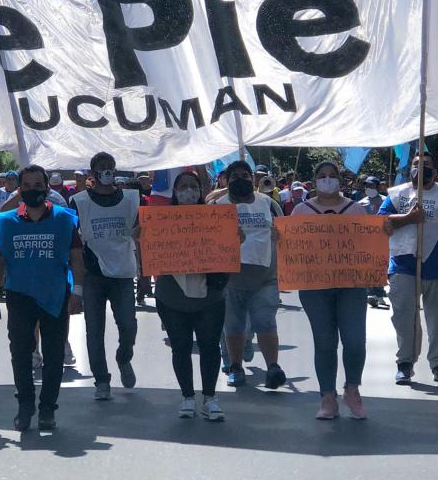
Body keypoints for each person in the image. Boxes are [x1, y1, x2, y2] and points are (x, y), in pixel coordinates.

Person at [0, 166, 85, 431]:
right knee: (20, 353)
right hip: (20, 296)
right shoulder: (7, 222)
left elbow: (76, 258)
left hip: (55, 295)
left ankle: (47, 409)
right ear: (20, 190)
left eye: (38, 185)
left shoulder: (64, 219)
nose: (33, 190)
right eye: (27, 185)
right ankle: (25, 404)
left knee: (54, 355)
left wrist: (77, 292)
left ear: (47, 188)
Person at [291, 162, 370, 419]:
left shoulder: (355, 209)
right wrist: (279, 238)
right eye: (322, 176)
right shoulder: (301, 211)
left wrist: (383, 232)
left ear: (340, 180)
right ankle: (327, 397)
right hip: (315, 285)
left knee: (355, 341)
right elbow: (291, 244)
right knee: (324, 342)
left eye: (332, 175)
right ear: (314, 180)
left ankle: (352, 390)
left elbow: (369, 242)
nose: (327, 179)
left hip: (351, 285)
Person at [379, 152, 438, 385]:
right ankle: (405, 363)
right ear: (410, 170)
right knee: (404, 317)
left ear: (435, 171)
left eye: (426, 164)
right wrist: (408, 218)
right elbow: (381, 222)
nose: (421, 167)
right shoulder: (397, 194)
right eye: (417, 164)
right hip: (404, 265)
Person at [149, 172, 229, 421]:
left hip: (210, 295)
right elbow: (148, 251)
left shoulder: (216, 219)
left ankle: (210, 398)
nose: (188, 191)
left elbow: (227, 248)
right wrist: (142, 237)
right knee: (180, 347)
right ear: (174, 192)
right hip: (171, 295)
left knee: (210, 346)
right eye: (183, 186)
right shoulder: (160, 222)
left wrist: (236, 238)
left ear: (201, 190)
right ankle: (187, 397)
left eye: (193, 186)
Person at [69, 152, 140, 401]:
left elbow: (143, 230)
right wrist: (76, 284)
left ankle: (124, 357)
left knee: (128, 325)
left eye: (110, 166)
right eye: (102, 167)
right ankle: (102, 380)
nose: (107, 170)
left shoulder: (131, 199)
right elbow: (72, 240)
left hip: (123, 273)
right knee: (94, 330)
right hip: (93, 274)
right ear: (93, 173)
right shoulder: (79, 201)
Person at [212, 160, 286, 390]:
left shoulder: (269, 204)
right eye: (235, 176)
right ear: (227, 181)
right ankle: (236, 367)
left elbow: (287, 232)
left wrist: (279, 235)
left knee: (266, 323)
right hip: (230, 280)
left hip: (265, 278)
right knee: (233, 326)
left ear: (252, 179)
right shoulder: (217, 206)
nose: (241, 179)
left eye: (245, 175)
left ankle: (273, 367)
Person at [360, 177, 389, 309]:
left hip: (382, 239)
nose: (369, 188)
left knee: (380, 266)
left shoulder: (386, 201)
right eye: (367, 186)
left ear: (378, 187)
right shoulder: (361, 203)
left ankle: (379, 293)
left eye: (371, 186)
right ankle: (371, 293)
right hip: (366, 240)